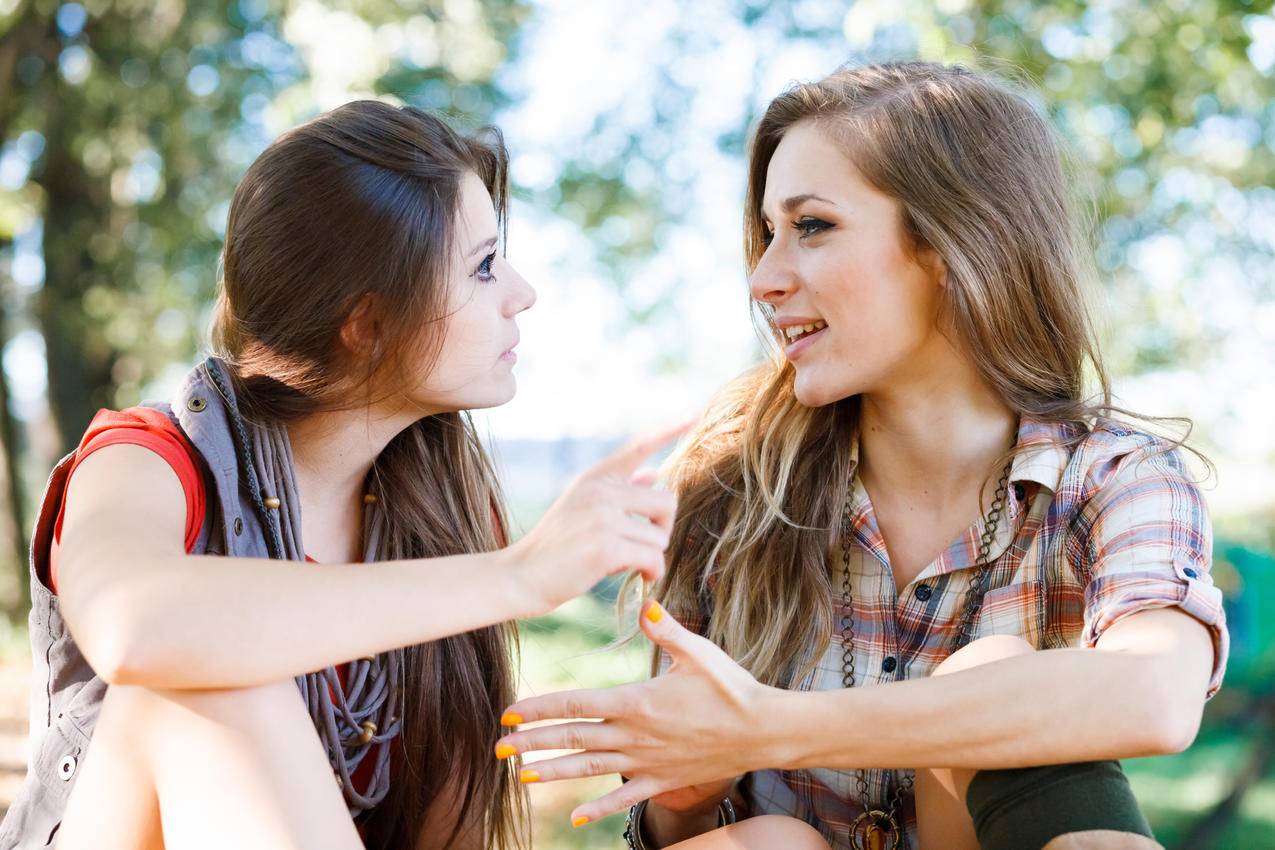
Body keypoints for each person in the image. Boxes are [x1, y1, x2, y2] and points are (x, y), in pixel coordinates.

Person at [493, 62, 1228, 850]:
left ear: (954, 244)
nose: (764, 278)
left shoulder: (1117, 479)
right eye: (768, 233)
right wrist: (689, 793)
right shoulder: (733, 493)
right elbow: (675, 822)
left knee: (992, 672)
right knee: (773, 842)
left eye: (811, 226)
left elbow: (1154, 693)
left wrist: (770, 729)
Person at [0, 100, 682, 850]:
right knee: (221, 683)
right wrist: (517, 577)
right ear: (367, 324)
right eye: (484, 266)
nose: (522, 292)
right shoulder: (145, 459)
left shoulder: (441, 518)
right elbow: (137, 629)